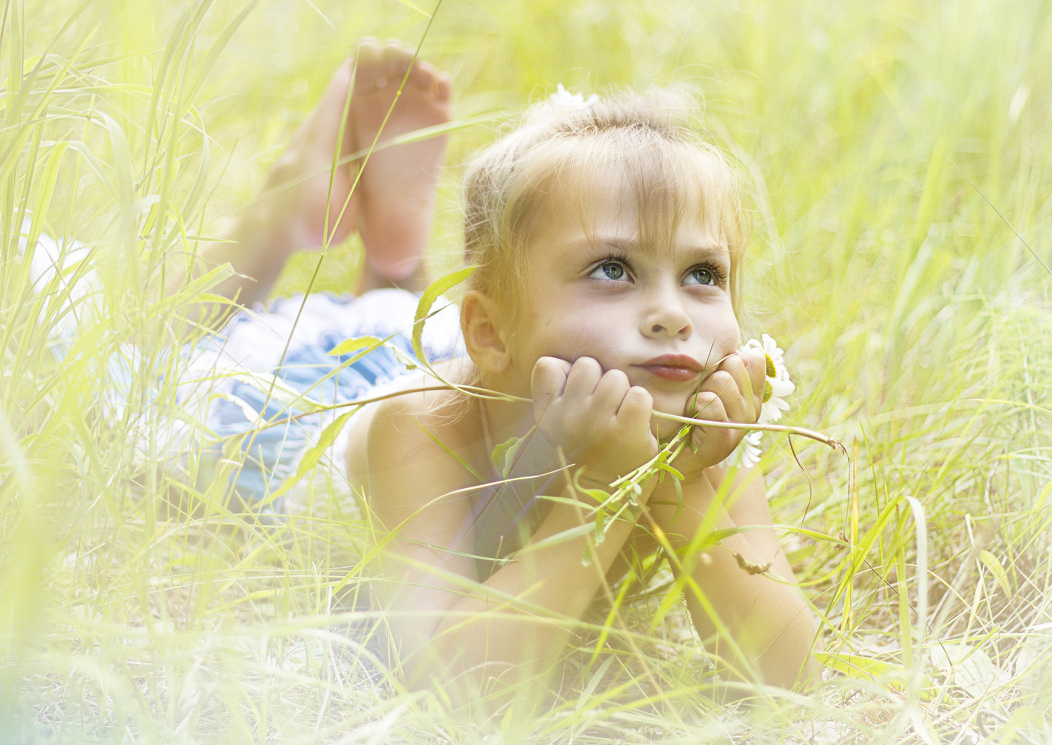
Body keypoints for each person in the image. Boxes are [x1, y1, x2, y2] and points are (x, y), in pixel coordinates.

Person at [174, 38, 820, 702]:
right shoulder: (420, 426)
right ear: (487, 332)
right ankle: (280, 215)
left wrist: (689, 487)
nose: (670, 314)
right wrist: (602, 488)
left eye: (702, 274)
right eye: (611, 268)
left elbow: (786, 681)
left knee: (400, 311)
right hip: (308, 387)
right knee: (164, 356)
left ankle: (395, 254)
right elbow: (449, 683)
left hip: (439, 341)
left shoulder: (697, 425)